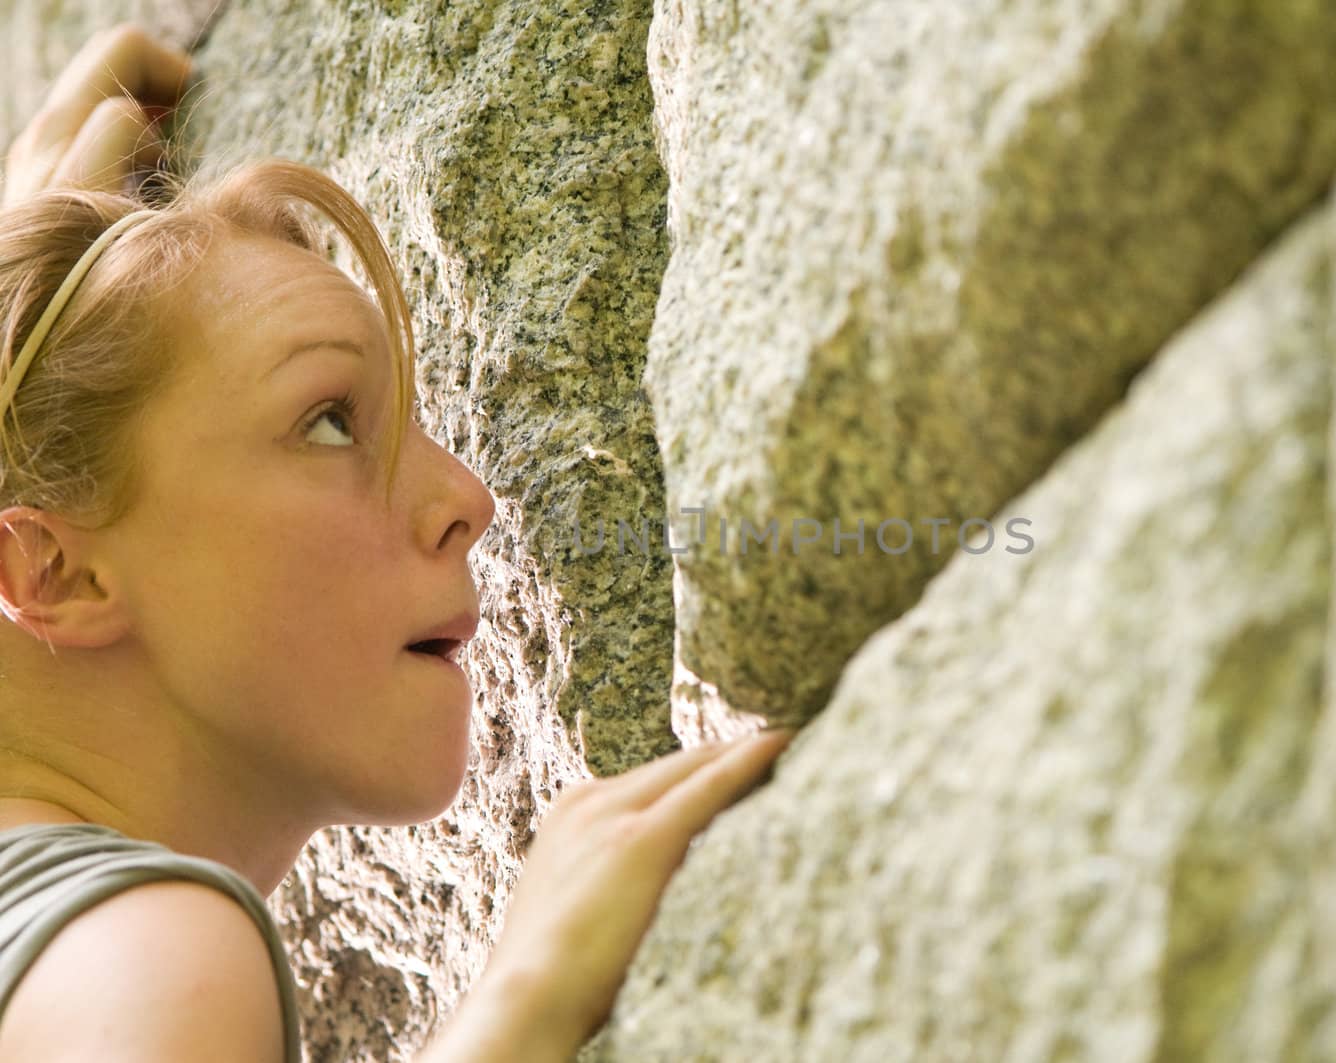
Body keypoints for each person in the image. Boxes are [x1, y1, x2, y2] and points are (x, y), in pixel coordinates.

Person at [0, 22, 791, 1063]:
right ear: (54, 571)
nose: (468, 499)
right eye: (328, 419)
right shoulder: (150, 950)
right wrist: (522, 1002)